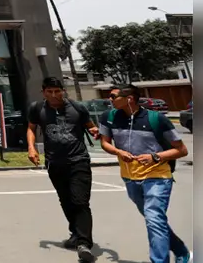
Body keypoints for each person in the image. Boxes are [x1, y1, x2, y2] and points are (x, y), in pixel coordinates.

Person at [99, 84, 191, 263]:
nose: (109, 100)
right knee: (154, 220)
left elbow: (181, 150)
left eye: (113, 96)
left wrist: (155, 157)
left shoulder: (156, 119)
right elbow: (105, 142)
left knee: (154, 219)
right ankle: (180, 250)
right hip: (130, 177)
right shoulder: (108, 117)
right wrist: (118, 152)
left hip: (158, 177)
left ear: (129, 99)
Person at [27, 76, 99, 263]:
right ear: (43, 92)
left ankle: (84, 243)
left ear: (63, 91)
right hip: (54, 163)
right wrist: (32, 147)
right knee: (65, 200)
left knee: (80, 201)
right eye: (49, 92)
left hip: (78, 161)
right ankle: (75, 232)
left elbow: (90, 127)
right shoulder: (37, 109)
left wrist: (95, 131)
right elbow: (31, 128)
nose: (53, 95)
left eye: (57, 91)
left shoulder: (77, 108)